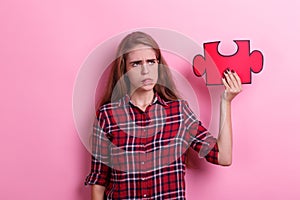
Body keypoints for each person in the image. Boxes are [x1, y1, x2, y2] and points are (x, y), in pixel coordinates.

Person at [85, 31, 242, 200]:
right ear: (124, 69)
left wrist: (226, 101)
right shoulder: (107, 116)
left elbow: (223, 157)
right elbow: (99, 181)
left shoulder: (179, 112)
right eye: (136, 64)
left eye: (151, 62)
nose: (146, 70)